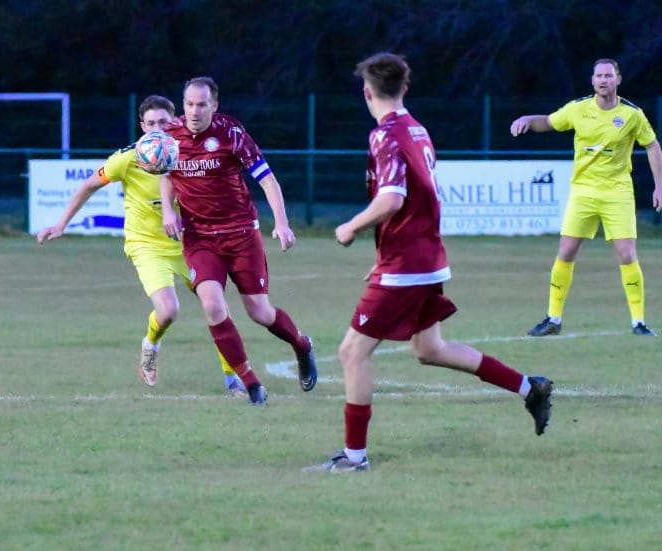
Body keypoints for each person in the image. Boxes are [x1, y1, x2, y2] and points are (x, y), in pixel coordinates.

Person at [307, 52, 553, 473]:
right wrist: (386, 257)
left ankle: (354, 457)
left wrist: (351, 226)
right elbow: (418, 202)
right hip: (422, 257)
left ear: (367, 92)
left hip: (408, 263)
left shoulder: (385, 134)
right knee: (429, 348)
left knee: (352, 353)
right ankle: (530, 388)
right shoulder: (417, 129)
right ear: (405, 88)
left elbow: (392, 199)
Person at [37, 95, 248, 397]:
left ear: (175, 122)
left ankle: (233, 379)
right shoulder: (128, 158)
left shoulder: (191, 152)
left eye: (164, 122)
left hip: (190, 244)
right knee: (169, 310)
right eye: (151, 123)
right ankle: (150, 345)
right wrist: (60, 224)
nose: (157, 129)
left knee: (217, 307)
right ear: (142, 127)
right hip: (146, 245)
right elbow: (88, 185)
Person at [159, 76, 318, 406]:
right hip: (200, 237)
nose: (194, 111)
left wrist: (282, 223)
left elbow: (267, 179)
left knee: (259, 312)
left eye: (202, 104)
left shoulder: (231, 133)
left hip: (241, 233)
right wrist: (168, 211)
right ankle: (251, 384)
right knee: (212, 305)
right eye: (189, 104)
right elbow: (166, 173)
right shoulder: (170, 135)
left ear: (214, 106)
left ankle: (301, 345)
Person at [510, 58, 662, 337]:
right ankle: (553, 319)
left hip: (617, 192)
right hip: (583, 191)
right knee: (566, 251)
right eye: (599, 76)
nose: (603, 80)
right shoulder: (578, 109)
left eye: (609, 76)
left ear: (618, 79)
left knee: (627, 254)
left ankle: (639, 323)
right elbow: (548, 122)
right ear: (593, 81)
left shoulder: (632, 114)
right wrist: (527, 120)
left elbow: (652, 146)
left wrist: (659, 186)